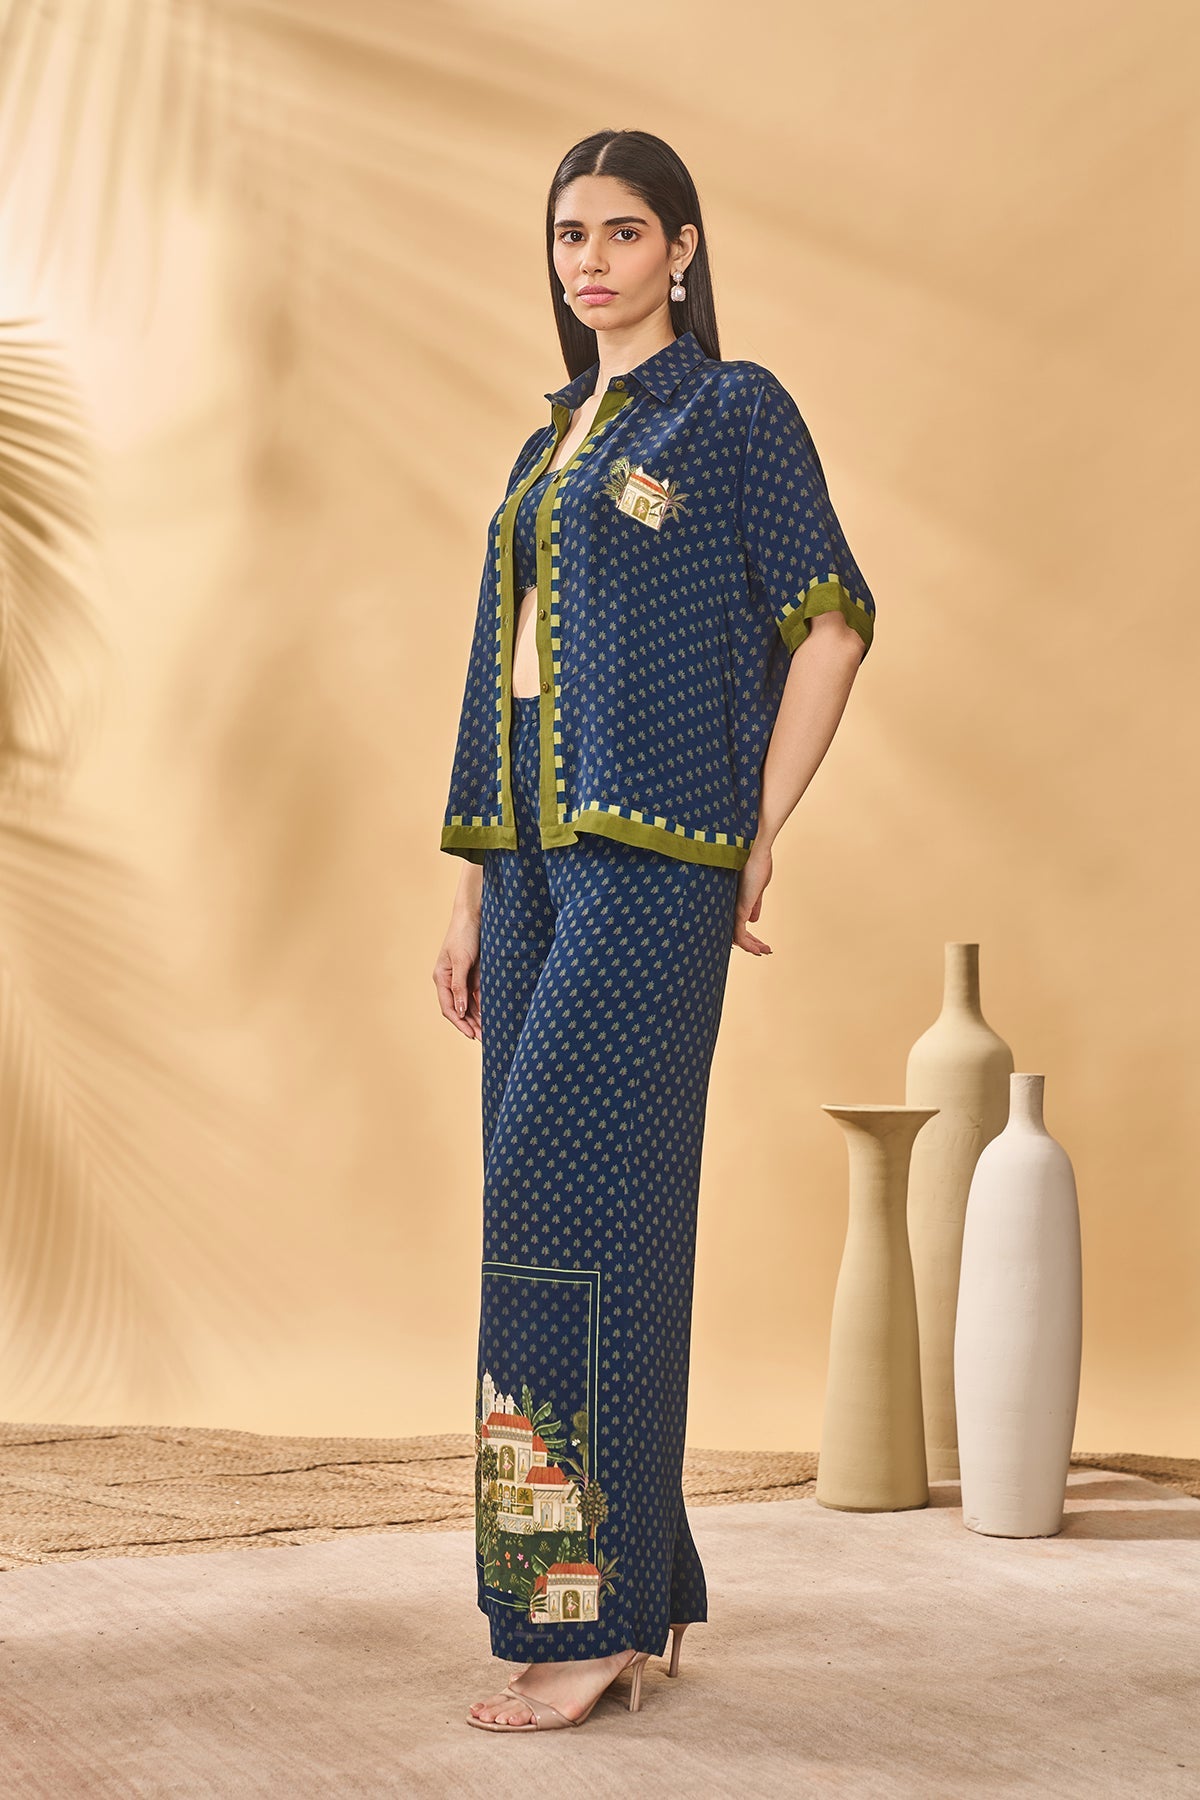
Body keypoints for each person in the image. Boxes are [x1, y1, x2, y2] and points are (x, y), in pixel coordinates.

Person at [432, 127, 876, 1734]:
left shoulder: (732, 410)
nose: (592, 260)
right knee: (557, 1216)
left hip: (654, 861)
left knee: (570, 1204)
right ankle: (647, 1580)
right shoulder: (546, 440)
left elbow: (832, 619)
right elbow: (497, 677)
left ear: (681, 249)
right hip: (531, 866)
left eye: (624, 231)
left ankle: (582, 1615)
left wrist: (758, 830)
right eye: (571, 233)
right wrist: (468, 885)